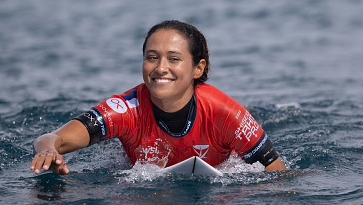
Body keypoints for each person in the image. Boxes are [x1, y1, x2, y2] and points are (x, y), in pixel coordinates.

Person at [30, 20, 287, 175]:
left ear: (198, 68)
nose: (160, 68)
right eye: (152, 57)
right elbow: (52, 139)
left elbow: (278, 177)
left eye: (174, 59)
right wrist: (48, 152)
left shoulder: (225, 114)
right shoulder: (125, 109)